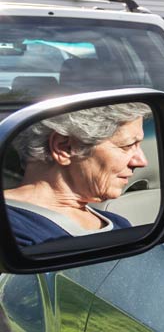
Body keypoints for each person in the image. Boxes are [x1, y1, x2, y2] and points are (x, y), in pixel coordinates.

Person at [4, 103, 151, 246]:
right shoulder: (12, 229)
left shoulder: (119, 224)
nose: (142, 161)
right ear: (64, 147)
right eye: (127, 146)